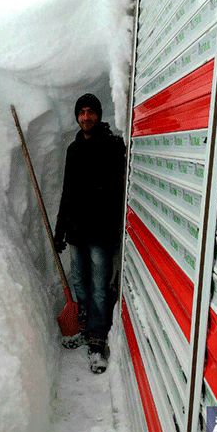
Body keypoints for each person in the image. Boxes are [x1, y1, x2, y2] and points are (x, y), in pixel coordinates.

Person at [53, 93, 126, 373]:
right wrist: (61, 230)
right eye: (81, 112)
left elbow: (118, 190)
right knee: (80, 283)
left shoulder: (111, 146)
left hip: (101, 234)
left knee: (98, 288)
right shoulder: (73, 150)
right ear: (77, 116)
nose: (86, 117)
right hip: (76, 232)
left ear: (98, 114)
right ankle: (84, 327)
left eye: (91, 112)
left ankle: (97, 342)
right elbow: (67, 192)